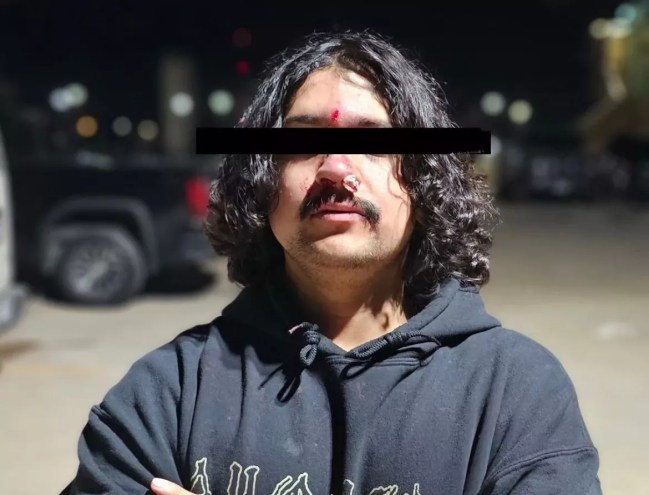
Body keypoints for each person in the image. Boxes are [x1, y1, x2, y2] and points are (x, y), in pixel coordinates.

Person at [60, 30, 602, 495]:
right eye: (304, 142)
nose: (337, 168)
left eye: (373, 144)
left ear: (425, 181)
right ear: (262, 183)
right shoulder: (170, 394)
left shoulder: (517, 394)